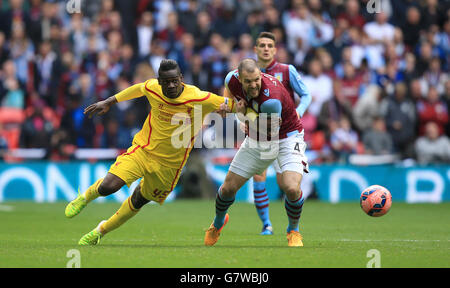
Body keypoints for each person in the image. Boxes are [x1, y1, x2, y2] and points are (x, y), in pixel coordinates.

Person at [65, 59, 236, 245]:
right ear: (159, 81)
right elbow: (138, 88)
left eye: (174, 81)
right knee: (108, 186)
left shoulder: (199, 97)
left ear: (181, 79)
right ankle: (84, 197)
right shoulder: (153, 87)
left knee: (138, 200)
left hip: (170, 166)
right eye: (166, 81)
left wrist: (254, 109)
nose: (170, 85)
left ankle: (100, 231)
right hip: (143, 151)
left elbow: (236, 106)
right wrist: (109, 101)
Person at [204, 59, 309, 247]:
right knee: (228, 188)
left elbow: (269, 130)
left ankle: (293, 230)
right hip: (256, 139)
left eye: (256, 80)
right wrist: (226, 105)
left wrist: (241, 114)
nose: (253, 85)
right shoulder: (231, 79)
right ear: (240, 78)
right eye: (248, 81)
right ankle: (218, 223)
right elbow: (229, 95)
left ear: (260, 75)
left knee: (291, 188)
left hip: (286, 137)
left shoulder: (271, 99)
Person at [245, 31, 311, 235]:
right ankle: (266, 224)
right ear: (255, 49)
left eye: (269, 45)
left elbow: (306, 94)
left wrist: (299, 112)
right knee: (259, 176)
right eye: (262, 45)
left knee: (287, 185)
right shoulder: (248, 73)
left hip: (285, 134)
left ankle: (293, 226)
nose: (266, 48)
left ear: (275, 49)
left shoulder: (286, 70)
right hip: (261, 133)